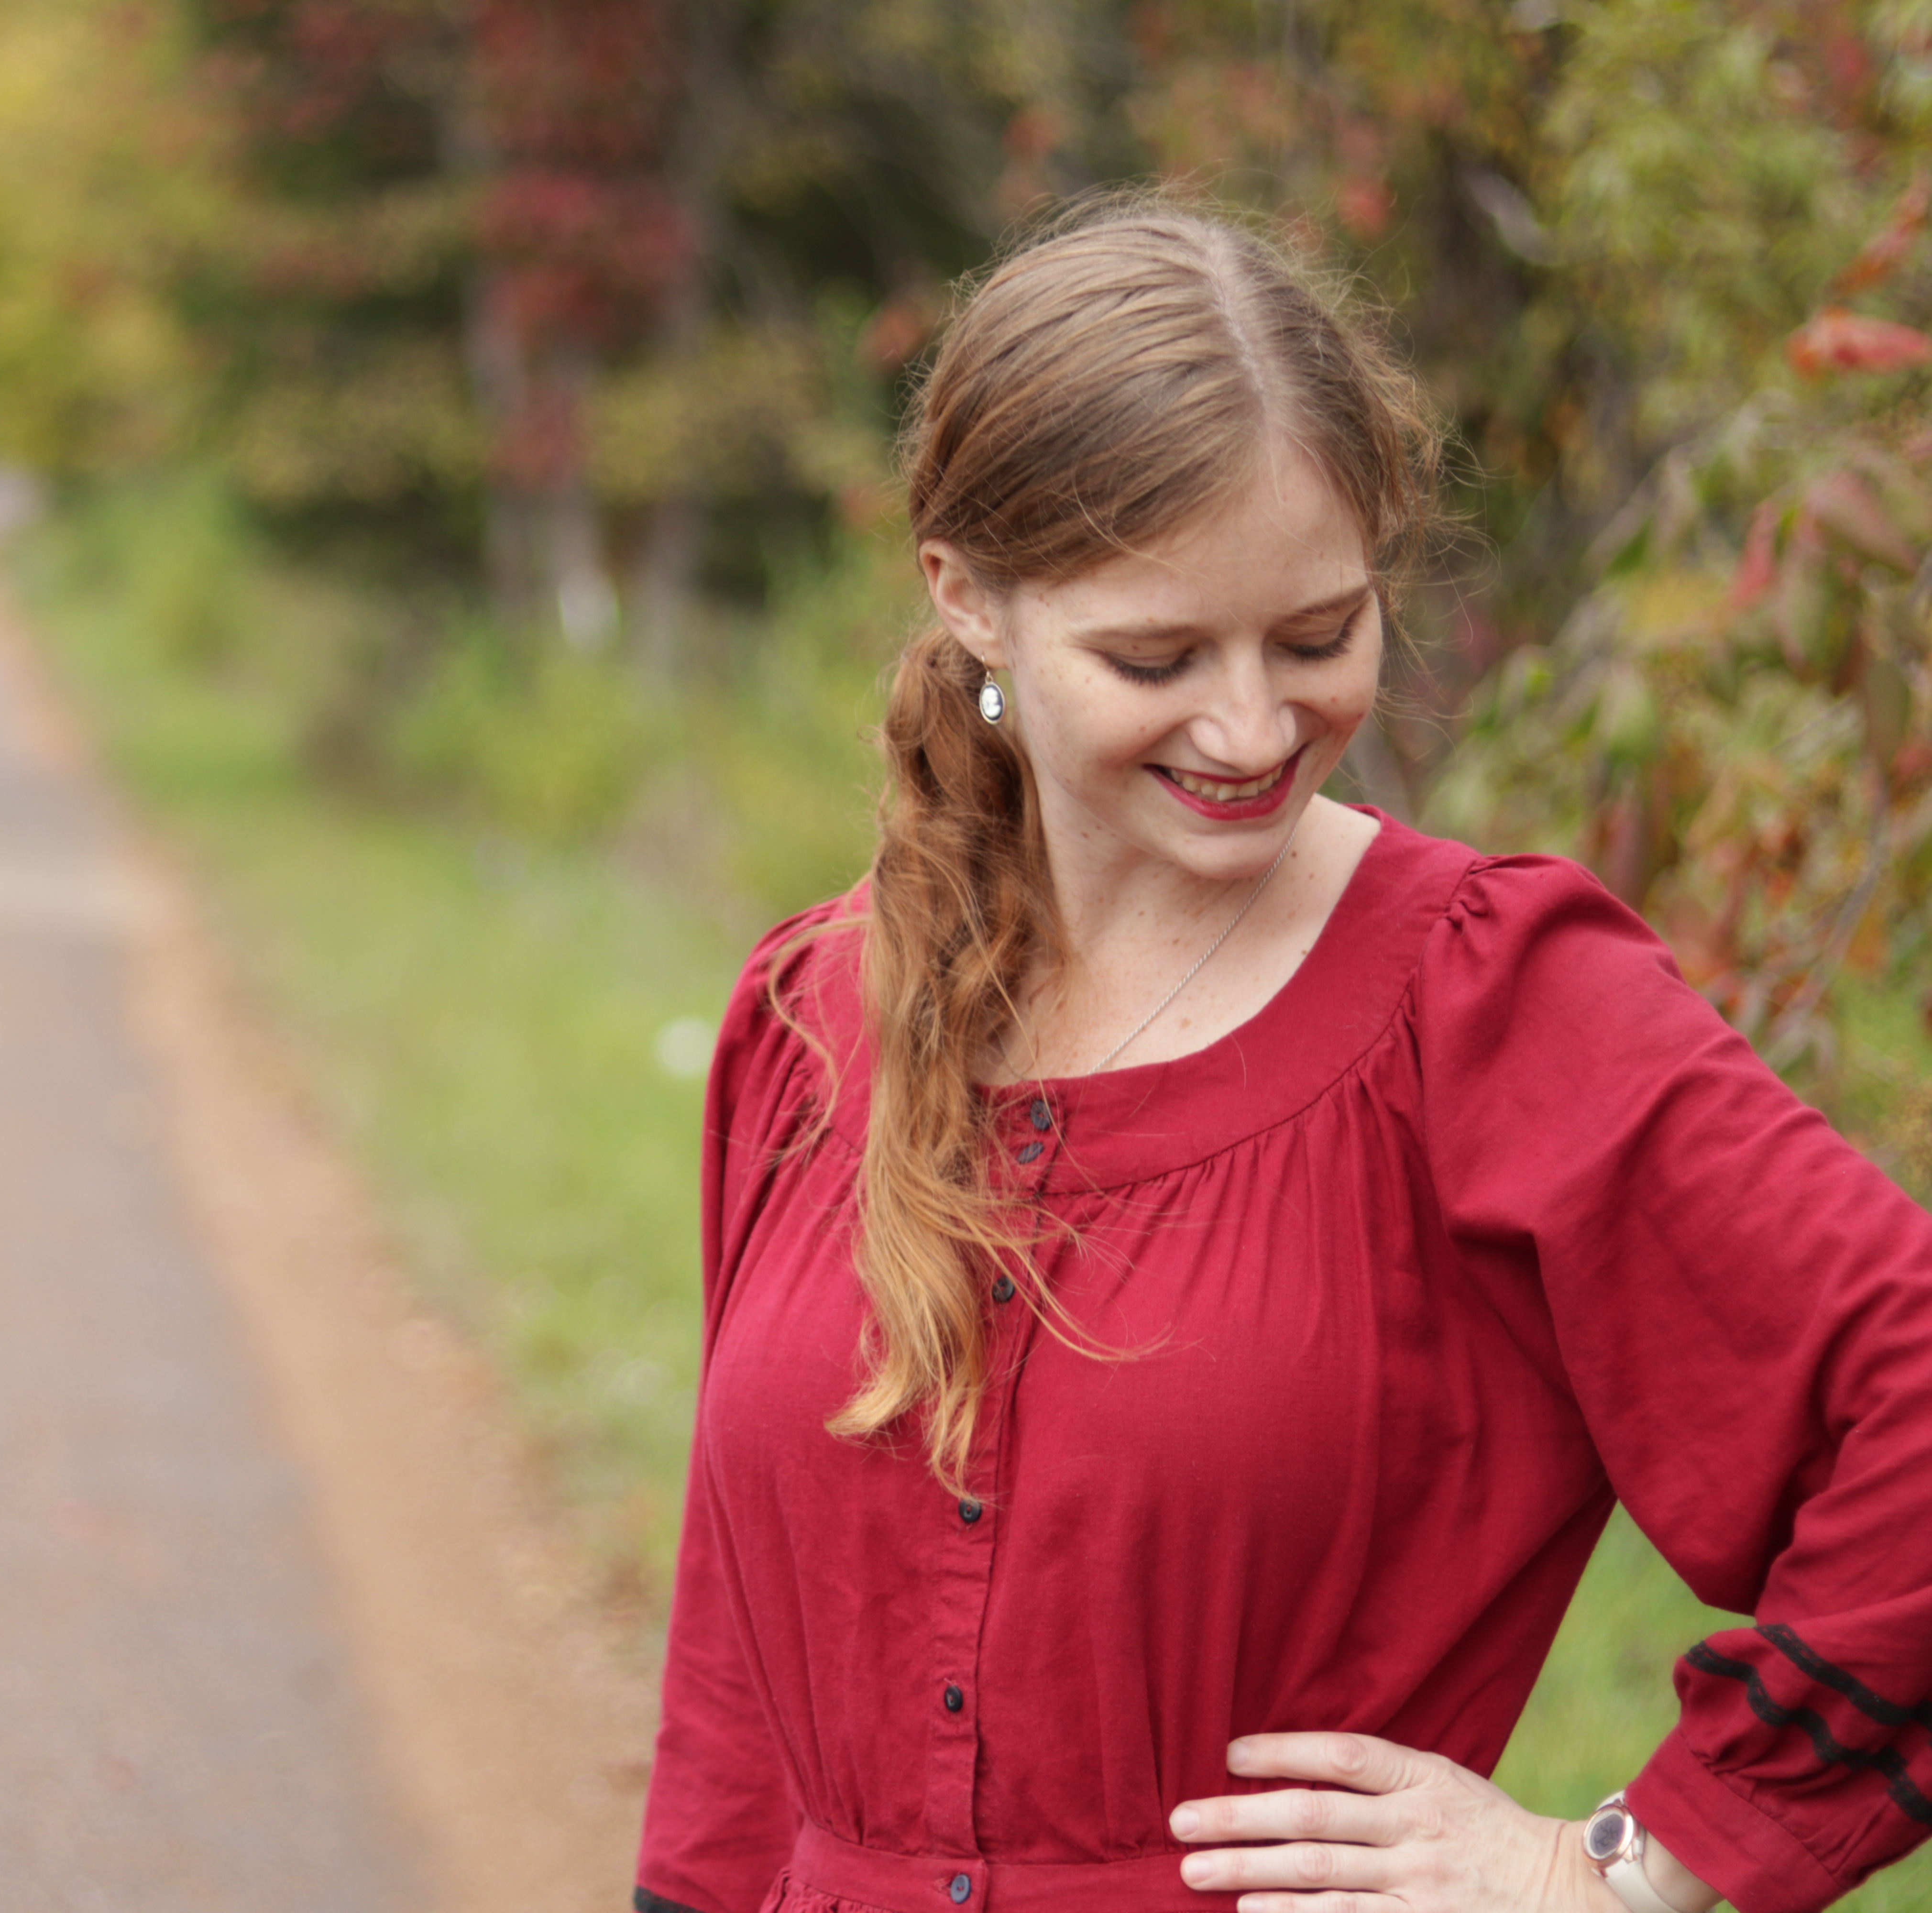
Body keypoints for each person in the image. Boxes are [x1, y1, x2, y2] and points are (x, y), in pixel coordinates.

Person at [631, 198, 1932, 1913]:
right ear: (968, 600)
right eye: (1156, 657)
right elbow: (741, 1682)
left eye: (1318, 637)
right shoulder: (807, 1017)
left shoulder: (1495, 1006)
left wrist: (1621, 1868)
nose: (1252, 730)